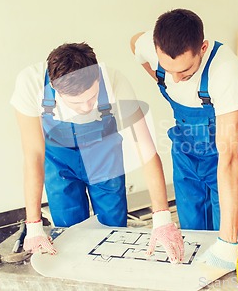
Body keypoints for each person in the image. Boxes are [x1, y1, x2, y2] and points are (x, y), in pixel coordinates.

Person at [11, 43, 183, 261]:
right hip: (59, 162)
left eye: (92, 98)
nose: (85, 107)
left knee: (114, 230)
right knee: (68, 233)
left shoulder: (115, 82)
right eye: (76, 102)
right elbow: (33, 154)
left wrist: (162, 218)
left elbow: (146, 150)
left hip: (104, 157)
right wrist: (34, 226)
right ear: (55, 88)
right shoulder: (30, 83)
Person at [130, 9, 238, 270]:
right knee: (192, 230)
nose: (175, 78)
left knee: (226, 230)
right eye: (167, 69)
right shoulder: (152, 49)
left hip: (223, 151)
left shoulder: (226, 71)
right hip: (185, 151)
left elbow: (229, 157)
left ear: (203, 48)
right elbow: (134, 42)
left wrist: (229, 243)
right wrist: (158, 77)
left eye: (184, 71)